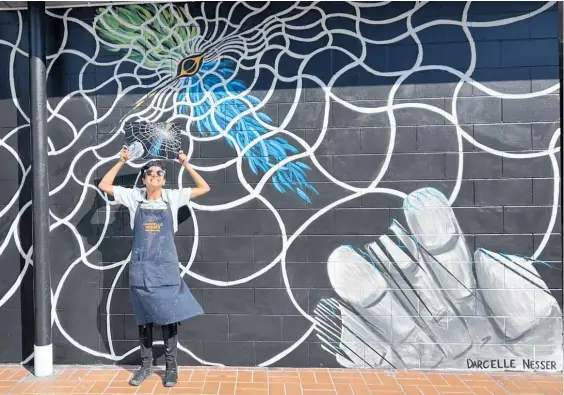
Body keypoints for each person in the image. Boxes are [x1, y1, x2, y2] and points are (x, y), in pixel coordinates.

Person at [98, 145, 210, 387]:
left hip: (166, 270)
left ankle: (171, 368)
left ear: (164, 179)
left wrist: (186, 164)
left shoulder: (173, 197)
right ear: (143, 177)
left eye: (160, 173)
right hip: (141, 270)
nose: (155, 176)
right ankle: (146, 367)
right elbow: (104, 186)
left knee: (169, 318)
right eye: (150, 173)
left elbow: (204, 188)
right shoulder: (133, 197)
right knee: (144, 320)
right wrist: (121, 161)